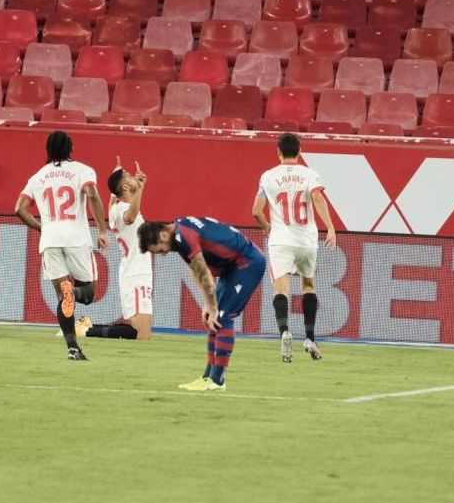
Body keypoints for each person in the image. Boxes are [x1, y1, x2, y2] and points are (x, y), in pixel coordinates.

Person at [138, 217, 266, 391]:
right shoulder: (178, 234)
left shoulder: (183, 236)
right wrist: (207, 305)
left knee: (221, 317)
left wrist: (213, 308)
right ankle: (208, 376)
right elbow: (194, 269)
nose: (164, 253)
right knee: (212, 318)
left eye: (160, 250)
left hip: (247, 262)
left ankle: (217, 380)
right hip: (233, 266)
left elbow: (205, 275)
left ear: (162, 234)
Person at [15, 131, 109, 360]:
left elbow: (19, 208)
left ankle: (72, 348)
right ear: (71, 149)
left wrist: (41, 228)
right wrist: (102, 229)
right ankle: (74, 291)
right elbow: (92, 193)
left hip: (50, 240)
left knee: (63, 299)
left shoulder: (38, 177)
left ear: (47, 150)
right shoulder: (82, 170)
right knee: (87, 294)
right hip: (76, 238)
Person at [252, 133, 336, 362]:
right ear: (299, 152)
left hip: (280, 240)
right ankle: (309, 337)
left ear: (278, 152)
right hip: (306, 240)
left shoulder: (268, 177)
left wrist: (268, 227)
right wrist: (330, 226)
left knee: (281, 289)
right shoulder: (309, 174)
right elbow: (318, 198)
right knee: (308, 285)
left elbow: (256, 211)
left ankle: (284, 331)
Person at [78, 156, 153, 340]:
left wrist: (116, 178)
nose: (133, 177)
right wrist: (140, 189)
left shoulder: (114, 209)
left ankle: (87, 327)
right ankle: (86, 330)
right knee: (142, 335)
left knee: (141, 333)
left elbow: (115, 199)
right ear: (126, 188)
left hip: (135, 272)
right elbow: (130, 217)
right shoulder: (122, 210)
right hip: (136, 274)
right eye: (128, 176)